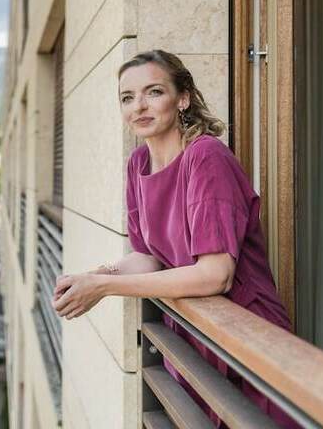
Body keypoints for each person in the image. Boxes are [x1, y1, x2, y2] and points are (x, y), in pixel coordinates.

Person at [51, 49, 295, 427]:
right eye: (127, 98)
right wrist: (96, 275)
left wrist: (103, 287)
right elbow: (147, 255)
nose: (139, 106)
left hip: (243, 336)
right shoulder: (138, 165)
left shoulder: (206, 158)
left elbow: (216, 274)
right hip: (191, 338)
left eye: (154, 92)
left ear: (182, 98)